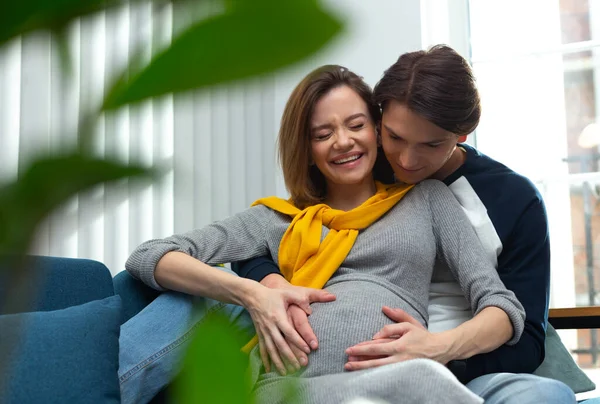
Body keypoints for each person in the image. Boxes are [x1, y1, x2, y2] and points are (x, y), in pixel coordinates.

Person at [120, 64, 525, 404]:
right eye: (322, 133)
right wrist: (255, 294)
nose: (343, 142)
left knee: (418, 380)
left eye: (356, 125)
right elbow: (149, 255)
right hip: (286, 388)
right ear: (307, 147)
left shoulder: (426, 200)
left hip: (393, 376)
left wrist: (439, 346)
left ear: (377, 129)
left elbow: (502, 307)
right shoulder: (276, 220)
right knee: (413, 384)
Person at [240, 45, 576, 403]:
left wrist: (437, 351)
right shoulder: (365, 167)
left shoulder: (512, 198)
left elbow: (526, 341)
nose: (407, 160)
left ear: (464, 132)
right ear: (378, 118)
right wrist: (271, 285)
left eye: (431, 144)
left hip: (468, 369)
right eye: (395, 137)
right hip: (349, 372)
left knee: (546, 395)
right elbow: (271, 238)